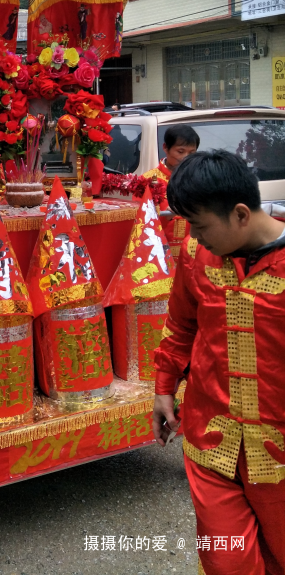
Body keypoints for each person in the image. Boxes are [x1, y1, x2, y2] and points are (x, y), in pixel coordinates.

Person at [153, 150, 285, 575]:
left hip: (278, 452)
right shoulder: (196, 254)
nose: (193, 235)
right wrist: (163, 387)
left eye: (200, 224)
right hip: (211, 440)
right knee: (226, 561)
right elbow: (180, 324)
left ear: (241, 214)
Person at [143, 124, 200, 257]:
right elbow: (140, 224)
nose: (186, 158)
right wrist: (165, 217)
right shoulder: (147, 180)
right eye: (180, 152)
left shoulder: (201, 179)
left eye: (192, 153)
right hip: (160, 254)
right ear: (165, 148)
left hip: (194, 254)